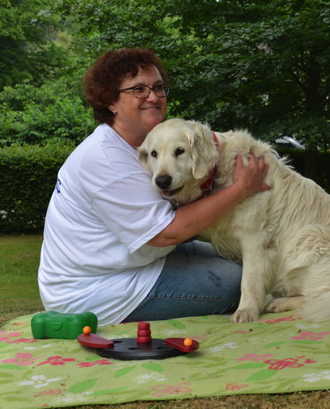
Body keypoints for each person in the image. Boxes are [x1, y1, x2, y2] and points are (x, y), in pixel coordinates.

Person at [38, 48, 270, 326]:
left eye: (158, 88)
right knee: (238, 282)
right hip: (95, 291)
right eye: (139, 89)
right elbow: (166, 234)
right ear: (111, 101)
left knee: (245, 260)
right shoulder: (105, 159)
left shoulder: (146, 145)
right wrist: (240, 189)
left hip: (131, 262)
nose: (153, 97)